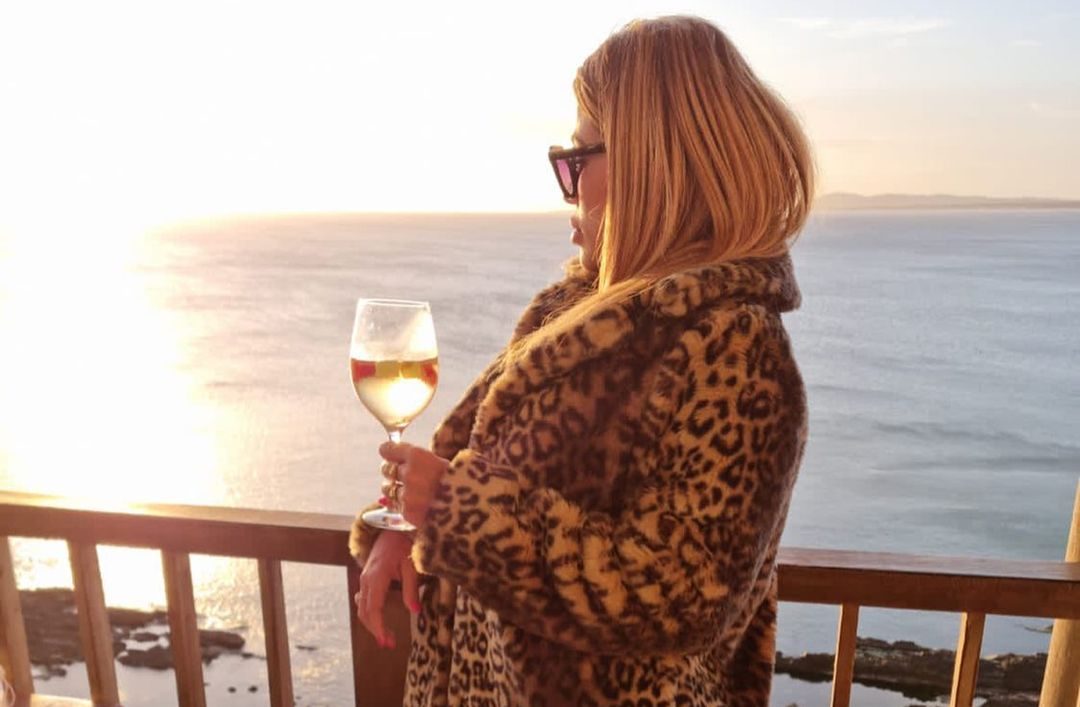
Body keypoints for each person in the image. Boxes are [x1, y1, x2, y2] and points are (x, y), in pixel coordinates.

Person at [350, 14, 813, 705]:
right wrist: (407, 526)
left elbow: (683, 595)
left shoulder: (738, 349)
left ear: (654, 166)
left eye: (578, 159)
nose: (567, 187)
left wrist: (455, 511)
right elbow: (461, 454)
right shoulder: (575, 312)